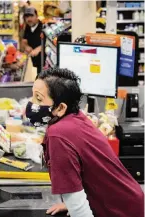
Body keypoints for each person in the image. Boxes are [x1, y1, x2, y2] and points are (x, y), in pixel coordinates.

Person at [25, 68, 144, 217]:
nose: (31, 103)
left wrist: (76, 205)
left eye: (39, 98)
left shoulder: (59, 135)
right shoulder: (74, 116)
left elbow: (81, 213)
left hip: (120, 211)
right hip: (127, 199)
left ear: (61, 108)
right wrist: (73, 202)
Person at [21, 6, 44, 75]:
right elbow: (24, 41)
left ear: (37, 16)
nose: (29, 19)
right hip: (32, 62)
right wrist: (26, 46)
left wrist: (39, 48)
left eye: (31, 16)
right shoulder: (28, 27)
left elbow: (49, 43)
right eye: (27, 17)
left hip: (42, 63)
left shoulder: (43, 27)